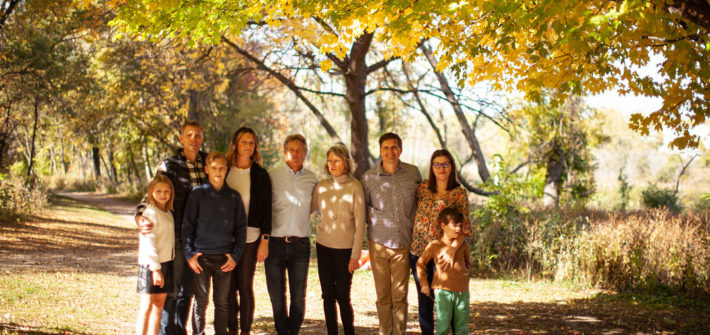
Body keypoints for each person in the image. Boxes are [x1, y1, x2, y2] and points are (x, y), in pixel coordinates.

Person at [135, 120, 207, 335]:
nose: (194, 140)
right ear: (181, 139)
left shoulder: (208, 164)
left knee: (189, 290)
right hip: (176, 236)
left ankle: (179, 330)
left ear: (202, 139)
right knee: (172, 291)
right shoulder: (169, 165)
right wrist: (139, 214)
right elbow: (152, 191)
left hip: (200, 238)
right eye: (189, 135)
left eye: (198, 136)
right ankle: (167, 331)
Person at [360, 132, 422, 335]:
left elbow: (421, 203)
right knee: (383, 295)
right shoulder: (369, 178)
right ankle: (385, 332)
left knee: (400, 295)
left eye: (394, 147)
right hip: (378, 242)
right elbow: (362, 208)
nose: (390, 152)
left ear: (400, 150)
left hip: (403, 241)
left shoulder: (413, 173)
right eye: (385, 148)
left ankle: (399, 333)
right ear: (380, 151)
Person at [182, 152, 247, 335]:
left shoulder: (234, 197)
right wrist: (189, 255)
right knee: (201, 301)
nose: (218, 171)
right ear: (206, 170)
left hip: (224, 260)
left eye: (221, 168)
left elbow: (241, 229)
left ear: (227, 170)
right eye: (214, 168)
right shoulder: (197, 194)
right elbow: (187, 227)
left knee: (222, 302)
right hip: (201, 258)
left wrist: (235, 256)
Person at [410, 149, 472, 335]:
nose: (441, 168)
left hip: (444, 255)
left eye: (445, 164)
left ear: (451, 167)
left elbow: (465, 227)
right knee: (425, 300)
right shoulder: (423, 188)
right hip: (419, 251)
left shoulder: (458, 194)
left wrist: (453, 249)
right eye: (436, 164)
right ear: (432, 167)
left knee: (449, 303)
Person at [311, 144, 365, 335]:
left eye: (337, 161)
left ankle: (349, 332)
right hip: (323, 246)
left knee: (343, 295)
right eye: (330, 161)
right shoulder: (322, 186)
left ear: (346, 163)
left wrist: (355, 255)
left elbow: (360, 225)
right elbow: (306, 211)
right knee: (327, 296)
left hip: (345, 250)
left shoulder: (355, 187)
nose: (332, 164)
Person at [266, 134, 318, 335]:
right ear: (284, 151)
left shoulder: (312, 179)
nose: (296, 154)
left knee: (298, 296)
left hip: (300, 245)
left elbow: (323, 207)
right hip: (275, 244)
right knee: (277, 296)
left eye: (300, 150)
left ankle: (292, 331)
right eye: (292, 150)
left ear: (305, 153)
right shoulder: (272, 176)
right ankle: (282, 331)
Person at [224, 127, 272, 335]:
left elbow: (267, 209)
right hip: (224, 238)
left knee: (244, 285)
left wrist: (265, 239)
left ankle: (245, 331)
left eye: (252, 143)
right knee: (227, 288)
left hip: (250, 238)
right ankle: (231, 329)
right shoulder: (224, 169)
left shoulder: (260, 175)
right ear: (235, 144)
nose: (248, 146)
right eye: (244, 142)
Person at [416, 207, 471, 335]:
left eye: (460, 225)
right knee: (443, 328)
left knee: (462, 329)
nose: (458, 229)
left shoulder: (463, 245)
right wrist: (424, 284)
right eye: (454, 225)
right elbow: (420, 263)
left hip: (462, 291)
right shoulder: (435, 245)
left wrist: (462, 276)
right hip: (443, 292)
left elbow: (468, 263)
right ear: (443, 225)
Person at [136, 175, 175, 335]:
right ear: (151, 192)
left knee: (159, 306)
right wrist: (156, 269)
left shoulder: (167, 211)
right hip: (151, 266)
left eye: (166, 191)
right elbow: (148, 242)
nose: (163, 194)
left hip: (166, 263)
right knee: (146, 306)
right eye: (158, 191)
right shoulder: (150, 213)